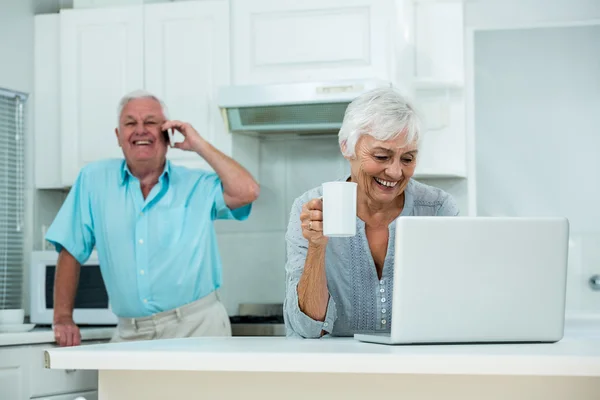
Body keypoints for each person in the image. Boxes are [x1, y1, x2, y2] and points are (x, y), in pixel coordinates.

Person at [46, 90, 259, 346]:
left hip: (198, 328)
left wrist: (199, 144)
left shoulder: (197, 184)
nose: (140, 130)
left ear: (167, 134)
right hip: (130, 333)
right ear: (118, 136)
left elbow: (247, 191)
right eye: (130, 123)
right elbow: (70, 249)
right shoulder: (93, 180)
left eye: (150, 122)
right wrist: (62, 318)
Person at [283, 86, 459, 338]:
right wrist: (317, 246)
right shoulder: (311, 207)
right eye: (381, 156)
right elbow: (307, 329)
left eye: (407, 159)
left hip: (414, 367)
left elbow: (453, 312)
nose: (396, 172)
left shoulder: (438, 209)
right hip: (333, 370)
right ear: (347, 147)